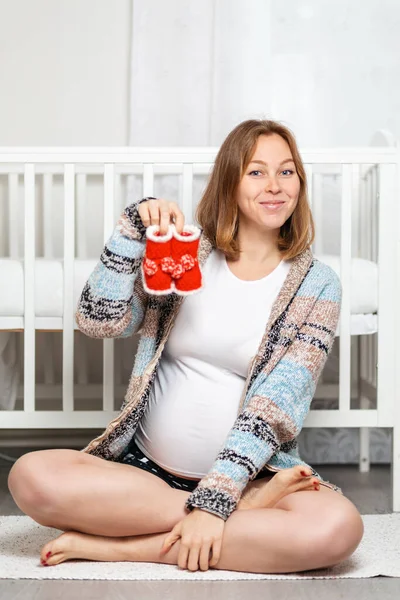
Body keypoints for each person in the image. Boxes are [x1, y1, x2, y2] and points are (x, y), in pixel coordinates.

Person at [8, 119, 364, 574]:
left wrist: (217, 498)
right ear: (230, 182)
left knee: (337, 529)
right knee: (31, 478)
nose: (275, 186)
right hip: (144, 475)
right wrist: (130, 234)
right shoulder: (187, 254)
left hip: (253, 475)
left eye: (287, 171)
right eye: (256, 172)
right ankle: (241, 514)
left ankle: (126, 547)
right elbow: (100, 322)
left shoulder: (317, 286)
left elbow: (276, 407)